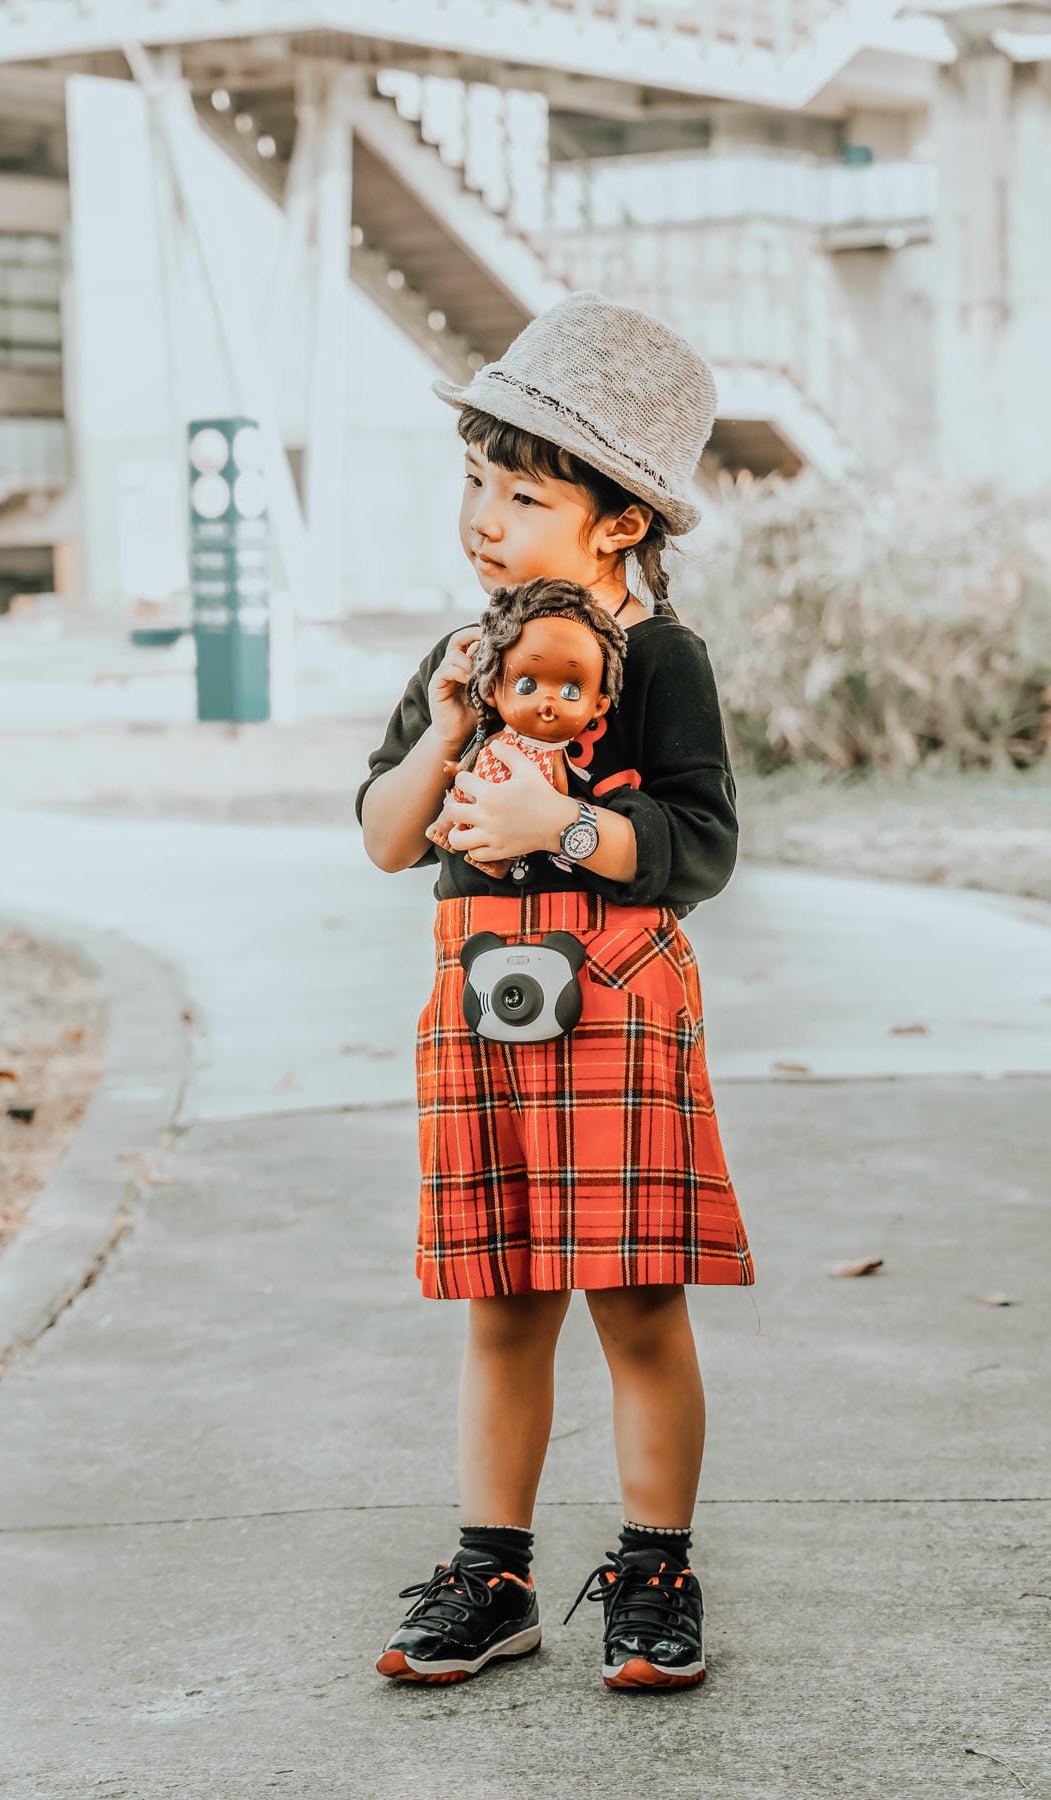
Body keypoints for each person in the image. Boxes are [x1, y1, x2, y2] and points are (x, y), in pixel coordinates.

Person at [355, 289, 754, 1692]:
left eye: (520, 491)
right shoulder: (460, 655)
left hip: (622, 1015)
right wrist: (451, 728)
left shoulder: (660, 664)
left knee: (638, 1304)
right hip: (483, 1014)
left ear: (619, 522)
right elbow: (388, 835)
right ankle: (494, 1572)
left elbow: (699, 844)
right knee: (503, 1301)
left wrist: (565, 833)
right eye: (474, 479)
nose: (483, 516)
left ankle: (654, 1565)